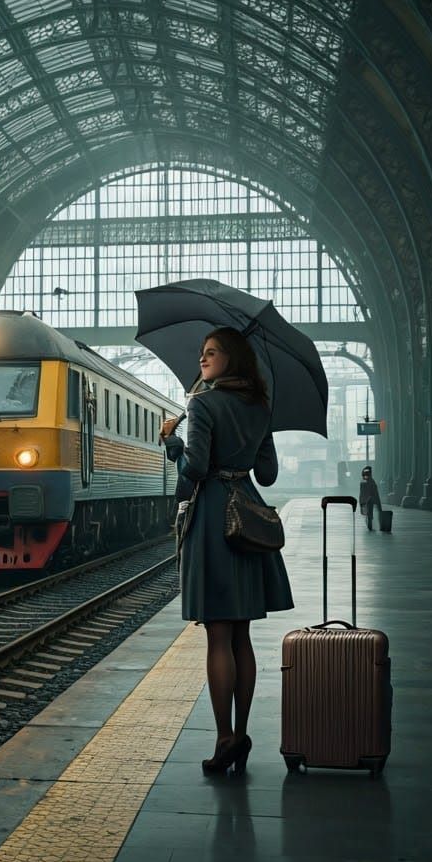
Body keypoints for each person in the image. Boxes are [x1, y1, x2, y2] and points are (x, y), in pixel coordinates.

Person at [160, 326, 293, 776]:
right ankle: (243, 731)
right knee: (242, 636)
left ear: (230, 358)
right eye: (202, 352)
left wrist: (172, 443)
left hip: (215, 519)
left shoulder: (202, 403)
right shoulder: (260, 406)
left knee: (218, 635)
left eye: (211, 352)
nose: (202, 359)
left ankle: (224, 739)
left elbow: (195, 468)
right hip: (248, 515)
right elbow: (269, 472)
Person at [359, 466, 383, 530]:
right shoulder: (371, 482)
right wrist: (379, 507)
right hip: (370, 498)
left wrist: (361, 502)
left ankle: (369, 520)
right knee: (369, 509)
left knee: (368, 510)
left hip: (366, 499)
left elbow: (362, 493)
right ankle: (370, 519)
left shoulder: (363, 482)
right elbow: (375, 493)